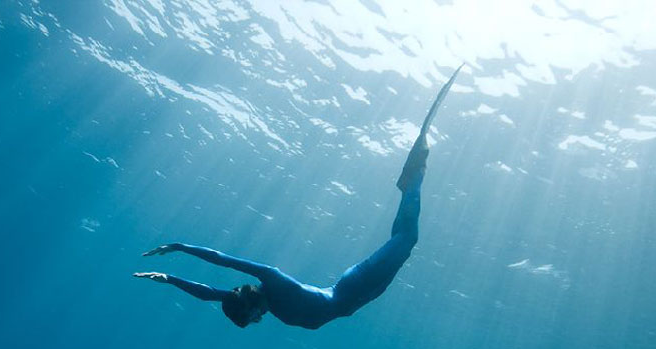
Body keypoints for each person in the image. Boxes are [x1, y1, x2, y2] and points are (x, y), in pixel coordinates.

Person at [134, 66, 462, 329]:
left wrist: (180, 246)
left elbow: (224, 259)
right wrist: (168, 277)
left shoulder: (272, 282)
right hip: (360, 295)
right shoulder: (261, 299)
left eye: (253, 317)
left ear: (248, 303)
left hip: (352, 288)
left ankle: (414, 173)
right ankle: (410, 181)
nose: (260, 319)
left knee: (407, 238)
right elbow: (207, 295)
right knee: (404, 240)